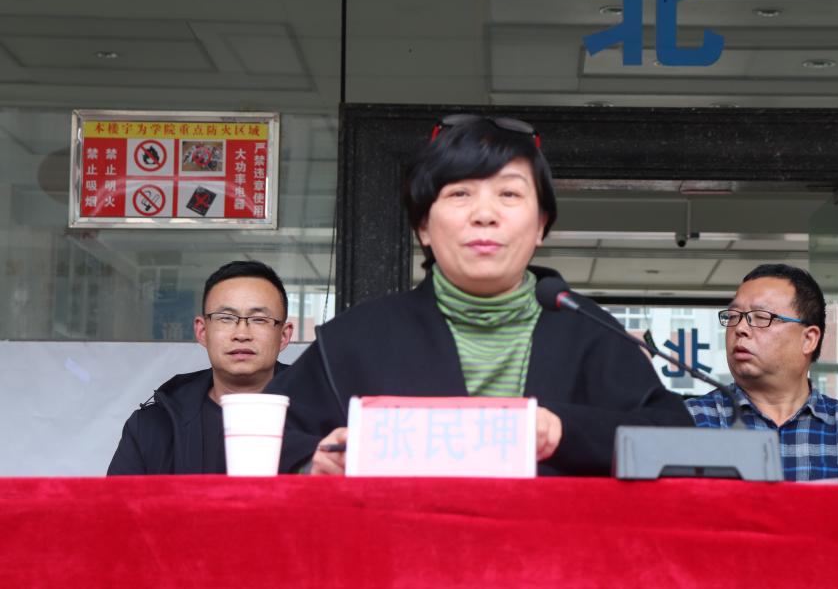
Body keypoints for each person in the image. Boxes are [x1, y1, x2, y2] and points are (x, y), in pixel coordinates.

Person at [266, 113, 693, 476]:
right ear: (423, 226)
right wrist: (312, 459)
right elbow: (261, 433)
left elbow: (677, 442)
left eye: (509, 193)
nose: (485, 214)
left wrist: (563, 430)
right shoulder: (357, 336)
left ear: (541, 224)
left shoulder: (592, 331)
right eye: (460, 193)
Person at [686, 263, 838, 481]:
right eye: (733, 316)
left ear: (808, 339)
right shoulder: (689, 422)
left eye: (761, 317)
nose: (740, 328)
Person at [107, 261, 294, 474]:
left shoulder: (320, 421)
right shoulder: (151, 427)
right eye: (226, 318)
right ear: (202, 331)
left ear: (284, 335)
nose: (242, 334)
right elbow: (117, 497)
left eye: (259, 319)